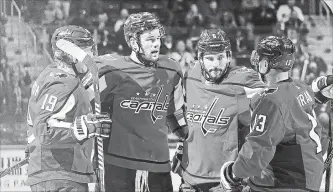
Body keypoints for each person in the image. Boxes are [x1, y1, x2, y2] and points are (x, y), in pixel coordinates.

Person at [93, 12, 188, 192]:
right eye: (150, 39)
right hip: (118, 165)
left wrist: (187, 142)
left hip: (158, 164)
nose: (157, 44)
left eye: (158, 38)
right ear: (133, 42)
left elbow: (175, 113)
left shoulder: (172, 70)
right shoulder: (110, 70)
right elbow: (88, 105)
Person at [220, 36, 329, 192]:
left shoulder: (270, 101)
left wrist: (233, 173)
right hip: (308, 179)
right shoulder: (301, 87)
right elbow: (318, 137)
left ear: (265, 64)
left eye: (260, 58)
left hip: (284, 183)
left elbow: (257, 153)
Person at [172, 28, 267, 192]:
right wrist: (181, 140)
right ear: (200, 58)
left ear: (229, 56)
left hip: (225, 180)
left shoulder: (243, 79)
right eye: (209, 58)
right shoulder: (190, 76)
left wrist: (267, 72)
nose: (216, 64)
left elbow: (277, 94)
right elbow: (175, 107)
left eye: (220, 58)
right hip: (190, 177)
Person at [25, 25, 112, 192]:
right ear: (71, 55)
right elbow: (44, 131)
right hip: (60, 173)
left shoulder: (49, 75)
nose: (91, 56)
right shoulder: (63, 84)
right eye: (86, 50)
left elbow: (38, 124)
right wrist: (82, 129)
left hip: (54, 172)